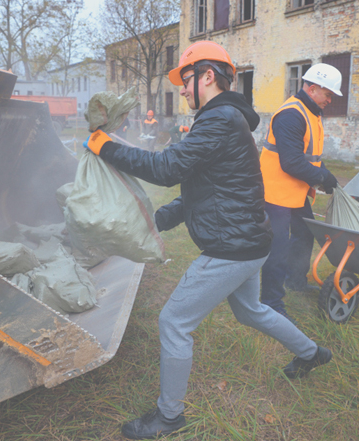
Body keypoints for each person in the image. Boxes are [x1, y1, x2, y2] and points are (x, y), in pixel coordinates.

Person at [83, 40, 332, 440]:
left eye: (185, 80)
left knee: (173, 322)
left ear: (207, 77)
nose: (181, 89)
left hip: (231, 249)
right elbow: (201, 188)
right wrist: (156, 220)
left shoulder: (219, 120)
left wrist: (106, 146)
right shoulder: (223, 120)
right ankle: (313, 354)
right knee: (252, 311)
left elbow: (166, 169)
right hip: (251, 243)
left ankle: (168, 418)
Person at [258, 63, 341, 322]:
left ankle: (295, 281)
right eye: (328, 94)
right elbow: (292, 162)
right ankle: (271, 302)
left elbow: (309, 156)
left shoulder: (310, 113)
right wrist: (322, 178)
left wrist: (324, 175)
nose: (330, 100)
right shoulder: (291, 115)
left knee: (305, 234)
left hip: (294, 193)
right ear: (313, 87)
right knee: (278, 247)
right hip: (275, 194)